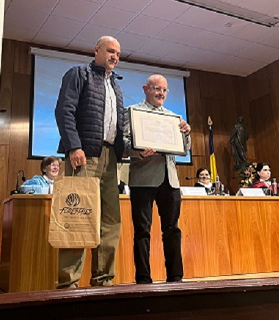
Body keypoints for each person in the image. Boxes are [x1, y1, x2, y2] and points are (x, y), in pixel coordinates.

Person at [54, 36, 125, 288]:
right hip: (84, 156)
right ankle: (68, 283)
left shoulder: (116, 86)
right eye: (110, 51)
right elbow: (64, 110)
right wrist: (74, 146)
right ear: (96, 50)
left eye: (117, 53)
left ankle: (103, 280)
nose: (114, 56)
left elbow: (120, 124)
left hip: (110, 159)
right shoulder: (78, 74)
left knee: (110, 220)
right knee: (76, 216)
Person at [124, 74, 192, 284]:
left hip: (170, 181)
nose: (160, 93)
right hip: (143, 179)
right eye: (156, 89)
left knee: (172, 230)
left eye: (164, 90)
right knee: (142, 231)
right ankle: (143, 278)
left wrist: (186, 133)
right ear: (146, 89)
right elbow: (124, 143)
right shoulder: (133, 112)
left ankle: (176, 277)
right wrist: (139, 152)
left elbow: (185, 149)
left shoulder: (174, 117)